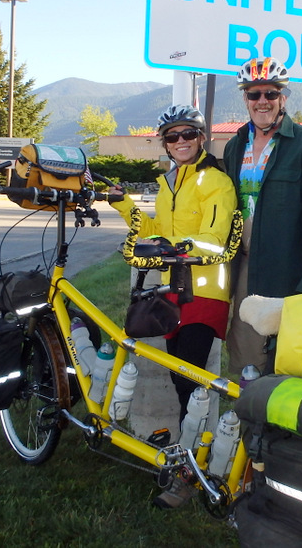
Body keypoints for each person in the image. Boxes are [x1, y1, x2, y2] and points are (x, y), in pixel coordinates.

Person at [108, 105, 236, 510]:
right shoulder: (168, 184)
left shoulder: (216, 181)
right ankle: (193, 462)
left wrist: (173, 249)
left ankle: (189, 474)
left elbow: (214, 238)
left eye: (188, 134)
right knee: (181, 382)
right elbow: (155, 232)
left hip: (206, 293)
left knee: (189, 383)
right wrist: (124, 205)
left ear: (201, 138)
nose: (180, 142)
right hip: (172, 293)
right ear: (163, 143)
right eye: (172, 136)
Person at [222, 57, 302, 374]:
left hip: (287, 269)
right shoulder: (234, 147)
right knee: (247, 354)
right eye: (254, 94)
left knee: (285, 356)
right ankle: (248, 417)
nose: (262, 102)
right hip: (245, 265)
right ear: (245, 98)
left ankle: (276, 418)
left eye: (270, 94)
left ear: (282, 97)